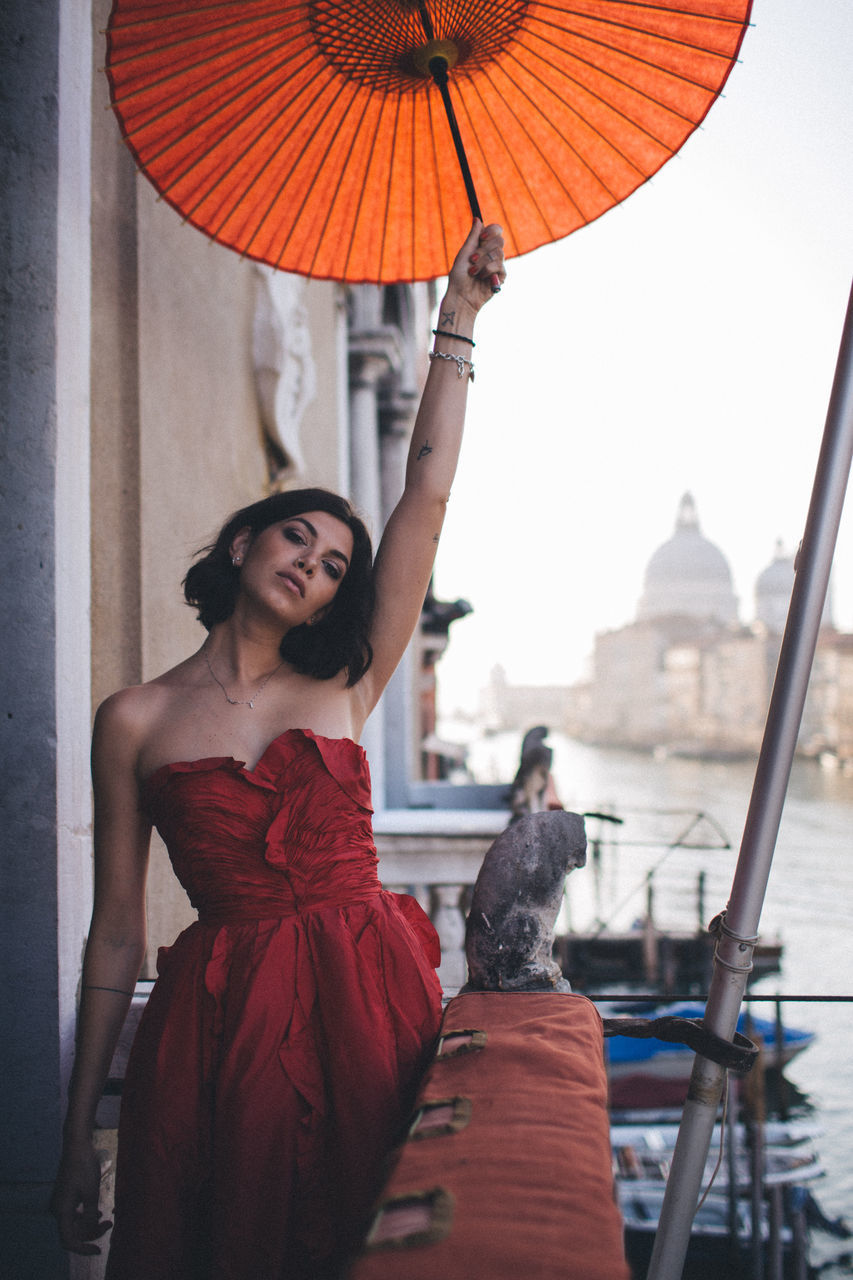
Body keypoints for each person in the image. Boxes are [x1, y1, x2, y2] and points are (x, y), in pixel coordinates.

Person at [50, 220, 506, 1279]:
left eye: (340, 561)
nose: (317, 558)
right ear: (247, 541)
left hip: (371, 993)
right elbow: (115, 933)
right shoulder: (134, 718)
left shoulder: (345, 683)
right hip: (223, 1019)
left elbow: (424, 500)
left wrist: (458, 318)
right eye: (299, 533)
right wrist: (78, 1132)